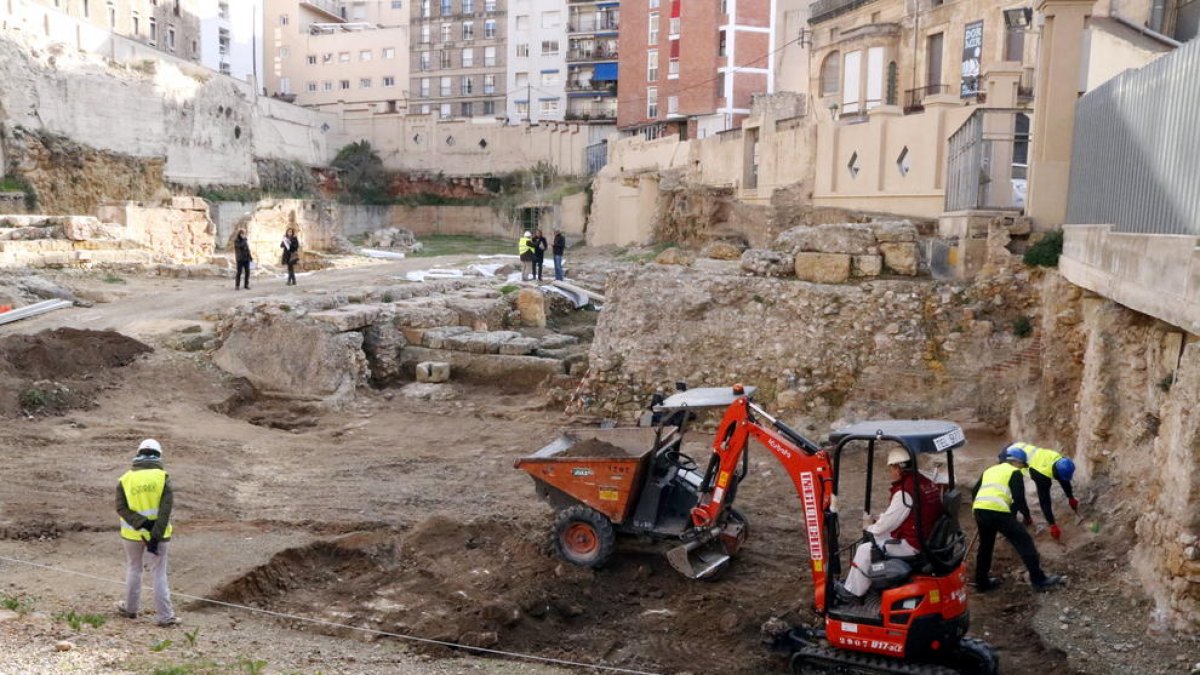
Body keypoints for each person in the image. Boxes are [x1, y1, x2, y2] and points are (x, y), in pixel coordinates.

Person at [838, 448, 943, 599]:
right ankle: (867, 581)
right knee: (880, 538)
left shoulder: (905, 493)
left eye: (891, 469)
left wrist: (870, 527)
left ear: (898, 467)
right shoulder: (925, 483)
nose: (890, 473)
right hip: (927, 538)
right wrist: (881, 522)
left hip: (913, 545)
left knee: (865, 549)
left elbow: (886, 524)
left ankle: (853, 592)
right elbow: (903, 516)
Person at [972, 446, 1063, 592]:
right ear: (1016, 462)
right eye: (1022, 465)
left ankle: (981, 582)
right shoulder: (1014, 472)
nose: (1022, 468)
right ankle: (1039, 580)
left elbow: (975, 491)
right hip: (997, 512)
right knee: (1025, 541)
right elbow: (1019, 499)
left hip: (980, 510)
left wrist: (980, 508)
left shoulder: (989, 470)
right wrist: (1026, 516)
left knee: (985, 547)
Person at [115, 439, 179, 627]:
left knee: (134, 569)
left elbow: (121, 507)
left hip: (132, 535)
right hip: (159, 536)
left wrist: (141, 524)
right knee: (158, 573)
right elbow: (165, 511)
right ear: (159, 455)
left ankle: (130, 609)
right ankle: (165, 617)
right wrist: (154, 535)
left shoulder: (125, 479)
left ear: (138, 454)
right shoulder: (162, 477)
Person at [1005, 442, 1078, 541]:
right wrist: (1052, 524)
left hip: (1018, 446)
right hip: (1009, 457)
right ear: (1055, 472)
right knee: (1016, 495)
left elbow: (1063, 480)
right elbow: (1044, 500)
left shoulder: (1059, 460)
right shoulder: (1041, 475)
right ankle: (1019, 520)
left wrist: (1070, 497)